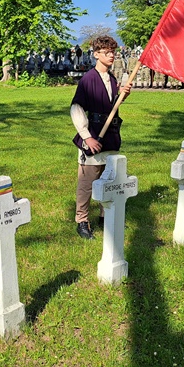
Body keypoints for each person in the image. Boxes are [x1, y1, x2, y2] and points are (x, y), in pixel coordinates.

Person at [70, 35, 132, 240]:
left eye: (113, 51)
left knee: (109, 179)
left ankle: (106, 216)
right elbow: (76, 108)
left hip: (111, 135)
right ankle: (82, 220)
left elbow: (111, 106)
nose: (111, 55)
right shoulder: (88, 79)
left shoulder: (112, 78)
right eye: (106, 52)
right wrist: (87, 137)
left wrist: (122, 95)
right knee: (88, 182)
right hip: (95, 135)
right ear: (96, 54)